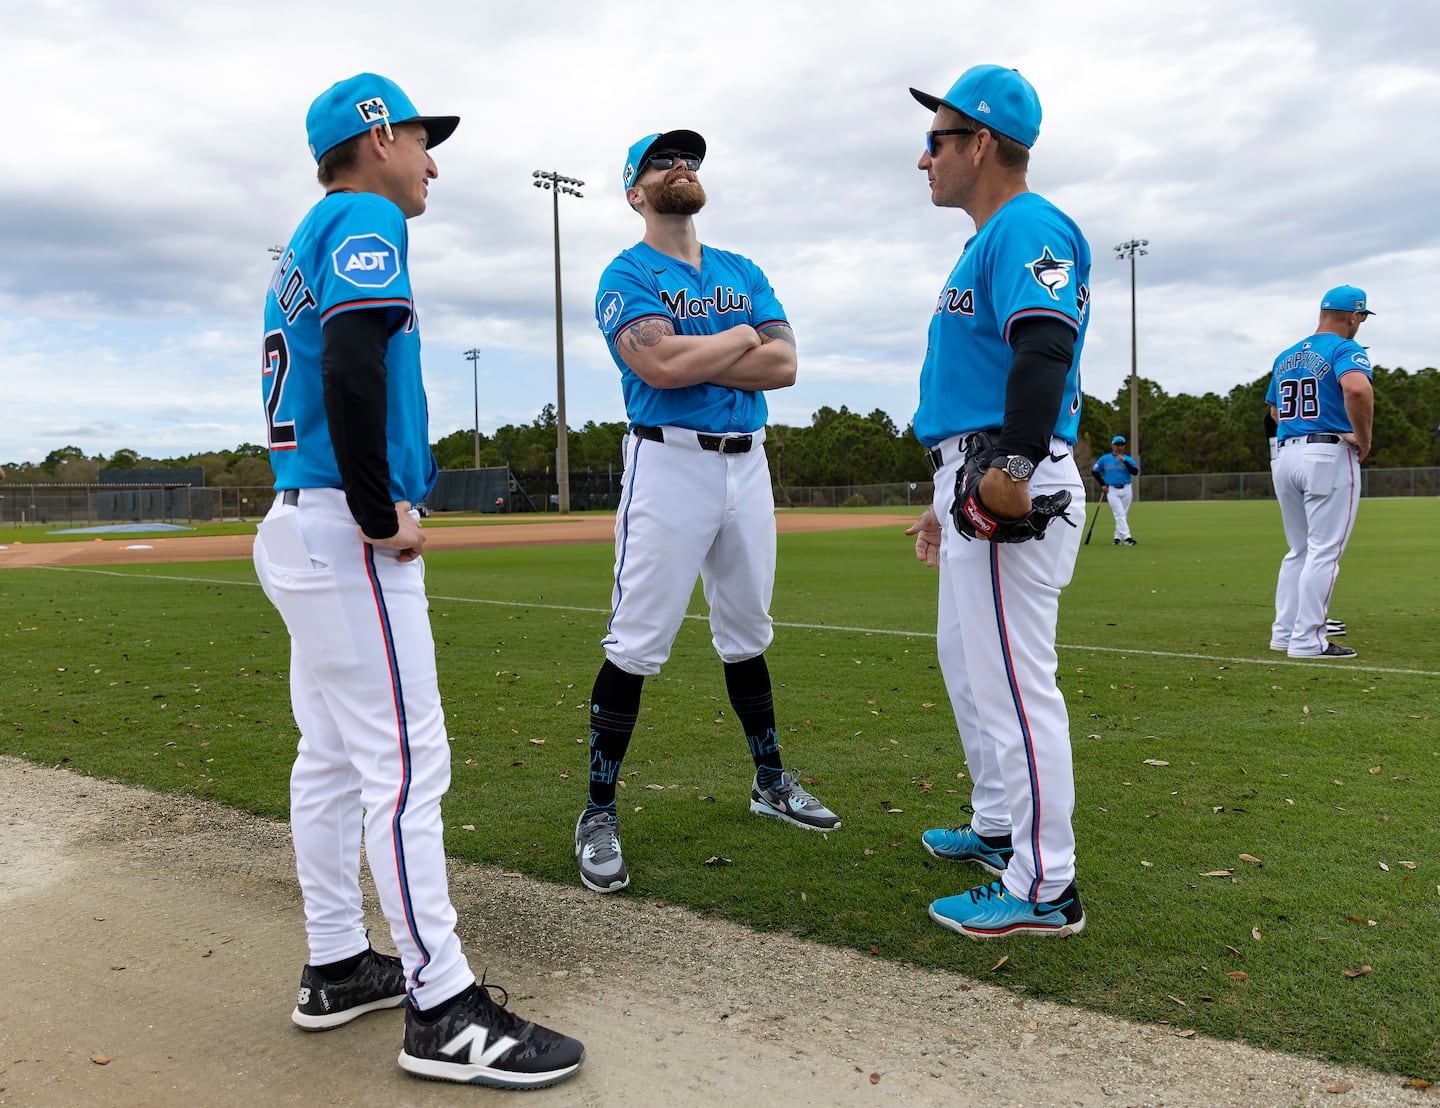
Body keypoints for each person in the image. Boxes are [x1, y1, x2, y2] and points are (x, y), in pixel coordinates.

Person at [254, 73, 584, 1088]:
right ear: (374, 138)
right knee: (405, 767)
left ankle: (339, 961)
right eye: (418, 138)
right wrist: (372, 506)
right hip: (343, 530)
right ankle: (443, 1008)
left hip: (295, 524)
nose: (431, 159)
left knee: (333, 760)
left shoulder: (303, 242)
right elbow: (354, 366)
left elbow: (334, 363)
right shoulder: (360, 214)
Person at [579, 129, 841, 894]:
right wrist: (736, 338)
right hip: (667, 464)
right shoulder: (627, 272)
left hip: (746, 461)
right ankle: (597, 812)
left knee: (748, 631)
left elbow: (785, 364)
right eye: (661, 161)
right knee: (635, 643)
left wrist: (699, 345)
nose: (679, 167)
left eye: (687, 157)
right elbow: (655, 364)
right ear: (635, 190)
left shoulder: (741, 268)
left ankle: (769, 783)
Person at [902, 65, 1090, 938]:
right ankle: (997, 826)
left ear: (980, 144)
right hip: (974, 470)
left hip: (1013, 475)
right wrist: (946, 495)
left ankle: (1045, 886)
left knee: (1017, 685)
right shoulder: (991, 238)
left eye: (937, 140)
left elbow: (1046, 345)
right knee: (972, 668)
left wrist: (1010, 465)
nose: (925, 158)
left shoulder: (1027, 224)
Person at [1267, 285, 1375, 659]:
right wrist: (1362, 437)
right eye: (1360, 317)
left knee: (1298, 549)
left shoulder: (1287, 355)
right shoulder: (1346, 348)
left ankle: (1283, 633)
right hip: (1327, 454)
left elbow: (1275, 412)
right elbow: (1357, 389)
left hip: (1286, 454)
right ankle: (1307, 640)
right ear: (1353, 316)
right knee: (1324, 552)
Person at [1091, 435, 1139, 544]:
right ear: (1113, 445)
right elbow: (1094, 471)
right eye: (1117, 445)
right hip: (1112, 490)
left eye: (1122, 445)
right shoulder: (1105, 459)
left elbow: (1135, 472)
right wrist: (1102, 484)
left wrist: (1124, 462)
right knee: (1119, 513)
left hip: (1126, 488)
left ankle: (1117, 538)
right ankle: (1128, 538)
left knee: (1123, 514)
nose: (1119, 447)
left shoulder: (1128, 459)